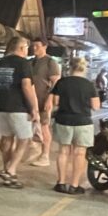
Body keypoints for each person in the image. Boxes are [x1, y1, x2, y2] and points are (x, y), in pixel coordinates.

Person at [0, 36, 39, 189]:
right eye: (26, 48)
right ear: (22, 48)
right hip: (18, 107)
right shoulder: (24, 63)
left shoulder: (1, 63)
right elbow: (26, 86)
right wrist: (34, 108)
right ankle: (11, 170)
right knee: (24, 139)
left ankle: (6, 169)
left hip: (1, 106)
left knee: (7, 139)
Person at [50, 57, 100, 195]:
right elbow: (96, 106)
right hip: (83, 122)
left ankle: (61, 183)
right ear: (85, 68)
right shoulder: (89, 85)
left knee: (63, 151)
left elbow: (55, 101)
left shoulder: (62, 82)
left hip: (64, 120)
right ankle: (74, 185)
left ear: (70, 67)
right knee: (79, 153)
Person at [27, 39, 61, 168]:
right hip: (30, 100)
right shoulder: (30, 62)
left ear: (45, 47)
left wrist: (49, 100)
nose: (34, 48)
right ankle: (34, 149)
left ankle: (45, 155)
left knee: (44, 126)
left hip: (43, 99)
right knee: (31, 126)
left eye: (37, 46)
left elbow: (55, 83)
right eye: (33, 46)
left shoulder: (50, 62)